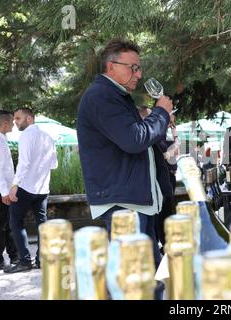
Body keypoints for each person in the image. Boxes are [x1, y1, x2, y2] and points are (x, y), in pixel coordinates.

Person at [76, 39, 173, 292]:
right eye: (133, 67)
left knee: (145, 278)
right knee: (134, 281)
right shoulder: (102, 96)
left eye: (139, 68)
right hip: (124, 204)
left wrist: (160, 123)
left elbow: (138, 138)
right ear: (111, 67)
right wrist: (161, 112)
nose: (138, 74)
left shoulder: (115, 95)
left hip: (132, 200)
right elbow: (134, 139)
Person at [4, 107, 58, 273]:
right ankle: (41, 261)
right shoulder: (48, 137)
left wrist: (14, 186)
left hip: (26, 187)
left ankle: (25, 261)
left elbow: (24, 163)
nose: (15, 122)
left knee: (15, 222)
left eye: (18, 118)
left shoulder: (26, 136)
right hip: (42, 189)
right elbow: (54, 165)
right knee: (42, 223)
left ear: (29, 119)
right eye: (14, 119)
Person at [138, 105, 178, 249]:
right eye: (151, 117)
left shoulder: (157, 136)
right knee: (160, 226)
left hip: (164, 186)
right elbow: (166, 154)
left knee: (166, 223)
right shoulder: (150, 137)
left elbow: (173, 147)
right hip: (157, 190)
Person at [0, 111, 19, 270]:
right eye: (12, 122)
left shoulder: (1, 139)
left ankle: (15, 256)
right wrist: (4, 192)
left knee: (7, 225)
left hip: (2, 190)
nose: (14, 125)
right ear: (4, 123)